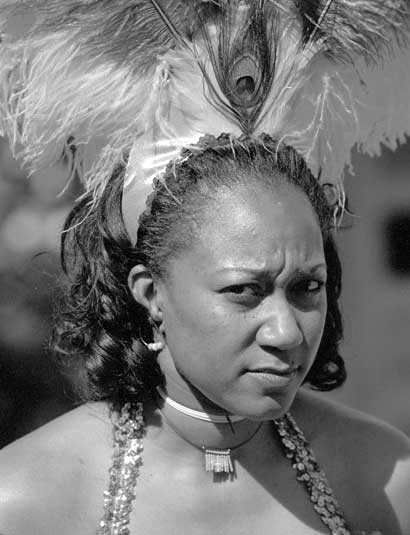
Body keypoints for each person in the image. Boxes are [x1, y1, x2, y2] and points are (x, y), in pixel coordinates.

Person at [1, 2, 410, 535]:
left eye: (307, 287)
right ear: (151, 293)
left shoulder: (383, 475)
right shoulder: (26, 498)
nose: (287, 331)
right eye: (244, 290)